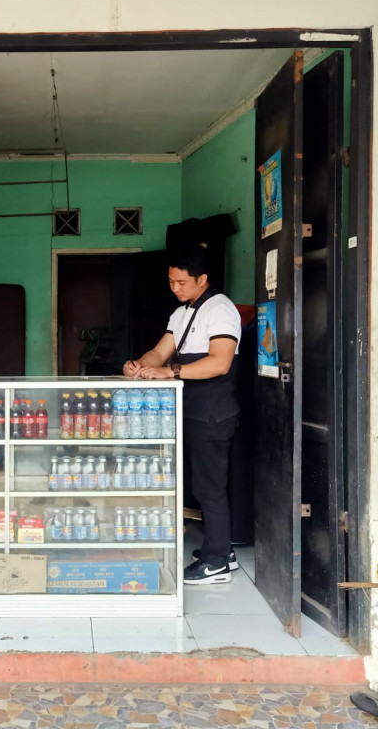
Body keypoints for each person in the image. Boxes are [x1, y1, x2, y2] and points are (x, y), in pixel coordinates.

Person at [123, 245, 242, 585]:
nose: (174, 288)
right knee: (199, 484)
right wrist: (139, 365)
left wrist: (170, 372)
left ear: (202, 279)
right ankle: (220, 550)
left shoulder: (220, 310)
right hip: (192, 410)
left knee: (210, 487)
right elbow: (160, 352)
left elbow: (220, 362)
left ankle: (217, 560)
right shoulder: (182, 313)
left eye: (181, 282)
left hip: (213, 412)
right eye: (171, 281)